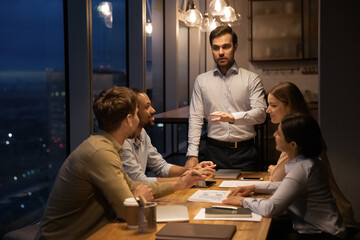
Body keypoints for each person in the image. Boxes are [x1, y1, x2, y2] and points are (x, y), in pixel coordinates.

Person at [36, 87, 206, 240]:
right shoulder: (101, 153)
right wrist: (139, 199)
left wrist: (179, 184)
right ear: (129, 119)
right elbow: (127, 212)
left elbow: (132, 186)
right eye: (136, 114)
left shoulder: (105, 146)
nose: (139, 120)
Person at [223, 113, 346, 239]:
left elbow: (270, 208)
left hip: (322, 234)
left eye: (279, 133)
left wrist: (242, 201)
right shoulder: (308, 162)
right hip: (320, 229)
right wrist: (254, 187)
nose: (274, 135)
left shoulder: (301, 168)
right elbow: (287, 185)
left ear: (293, 145)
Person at [266, 82, 356, 228]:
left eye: (273, 105)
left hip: (331, 220)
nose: (268, 110)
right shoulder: (298, 127)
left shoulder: (297, 133)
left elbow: (277, 178)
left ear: (289, 106)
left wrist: (275, 169)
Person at [185, 26, 267, 171]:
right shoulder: (201, 81)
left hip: (245, 151)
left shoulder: (251, 79)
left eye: (226, 47)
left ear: (235, 47)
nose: (221, 52)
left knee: (244, 193)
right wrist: (192, 154)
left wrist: (232, 117)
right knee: (208, 193)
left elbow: (261, 114)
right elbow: (196, 118)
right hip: (213, 152)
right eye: (216, 48)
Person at [122, 90, 216, 182]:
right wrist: (183, 179)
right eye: (147, 107)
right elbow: (139, 180)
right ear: (134, 113)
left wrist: (192, 170)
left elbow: (161, 166)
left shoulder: (142, 133)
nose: (153, 110)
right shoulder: (123, 141)